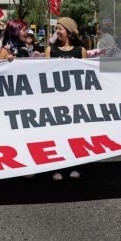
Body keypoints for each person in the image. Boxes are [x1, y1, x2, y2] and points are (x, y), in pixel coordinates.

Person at [44, 17, 86, 181]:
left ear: (68, 31)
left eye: (59, 28)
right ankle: (56, 167)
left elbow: (87, 75)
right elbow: (44, 74)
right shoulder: (50, 50)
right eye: (56, 29)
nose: (57, 32)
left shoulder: (80, 51)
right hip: (56, 100)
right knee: (57, 135)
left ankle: (75, 165)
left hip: (75, 100)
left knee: (75, 134)